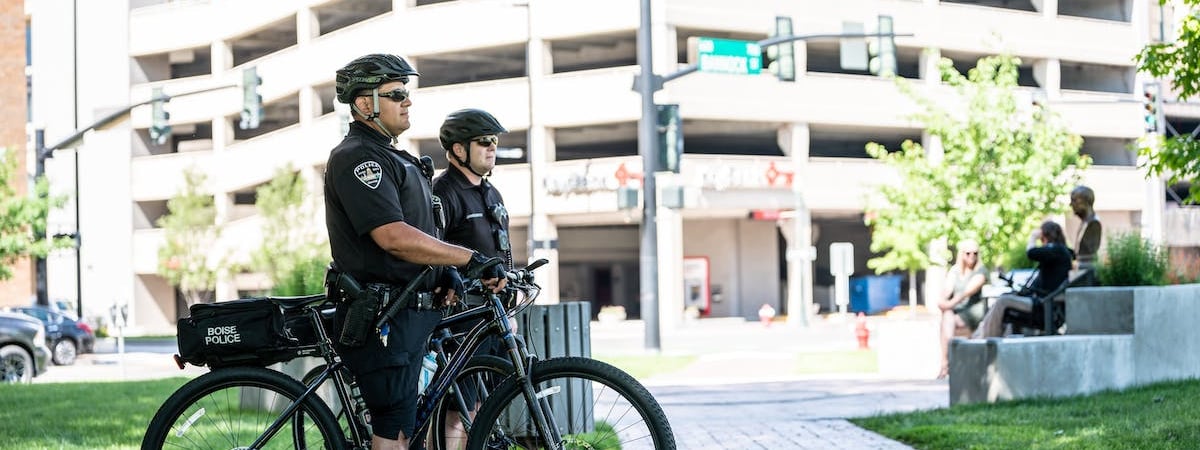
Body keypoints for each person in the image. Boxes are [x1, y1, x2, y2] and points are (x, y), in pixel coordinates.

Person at [323, 53, 505, 450]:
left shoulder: (398, 159)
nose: (407, 101)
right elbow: (393, 237)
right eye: (396, 94)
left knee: (410, 430)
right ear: (364, 103)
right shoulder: (358, 157)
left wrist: (447, 273)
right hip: (382, 317)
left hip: (410, 314)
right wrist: (469, 258)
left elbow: (422, 235)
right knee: (394, 430)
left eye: (407, 93)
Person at [430, 108, 512, 448]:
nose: (491, 148)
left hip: (493, 316)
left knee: (486, 404)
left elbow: (502, 251)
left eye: (494, 142)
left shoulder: (491, 193)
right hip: (460, 318)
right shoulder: (443, 192)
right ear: (458, 149)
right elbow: (432, 251)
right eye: (483, 142)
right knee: (457, 406)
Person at [973, 221, 1075, 338]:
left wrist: (1033, 237)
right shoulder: (1061, 251)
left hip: (1042, 305)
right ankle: (980, 336)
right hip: (1042, 303)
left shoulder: (1056, 250)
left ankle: (987, 340)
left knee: (1003, 301)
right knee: (1005, 302)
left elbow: (1031, 253)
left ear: (1045, 235)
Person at [937, 239, 987, 379]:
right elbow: (947, 289)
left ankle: (946, 364)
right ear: (962, 254)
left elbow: (966, 292)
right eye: (968, 253)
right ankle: (947, 363)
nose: (972, 256)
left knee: (947, 319)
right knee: (947, 318)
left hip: (973, 311)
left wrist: (947, 304)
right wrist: (942, 301)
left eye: (975, 253)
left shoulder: (981, 271)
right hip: (955, 312)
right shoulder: (955, 271)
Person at [1071, 185, 1102, 285]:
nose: (1071, 204)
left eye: (1074, 200)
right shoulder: (1084, 223)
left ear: (1085, 201)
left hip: (1087, 270)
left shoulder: (1093, 224)